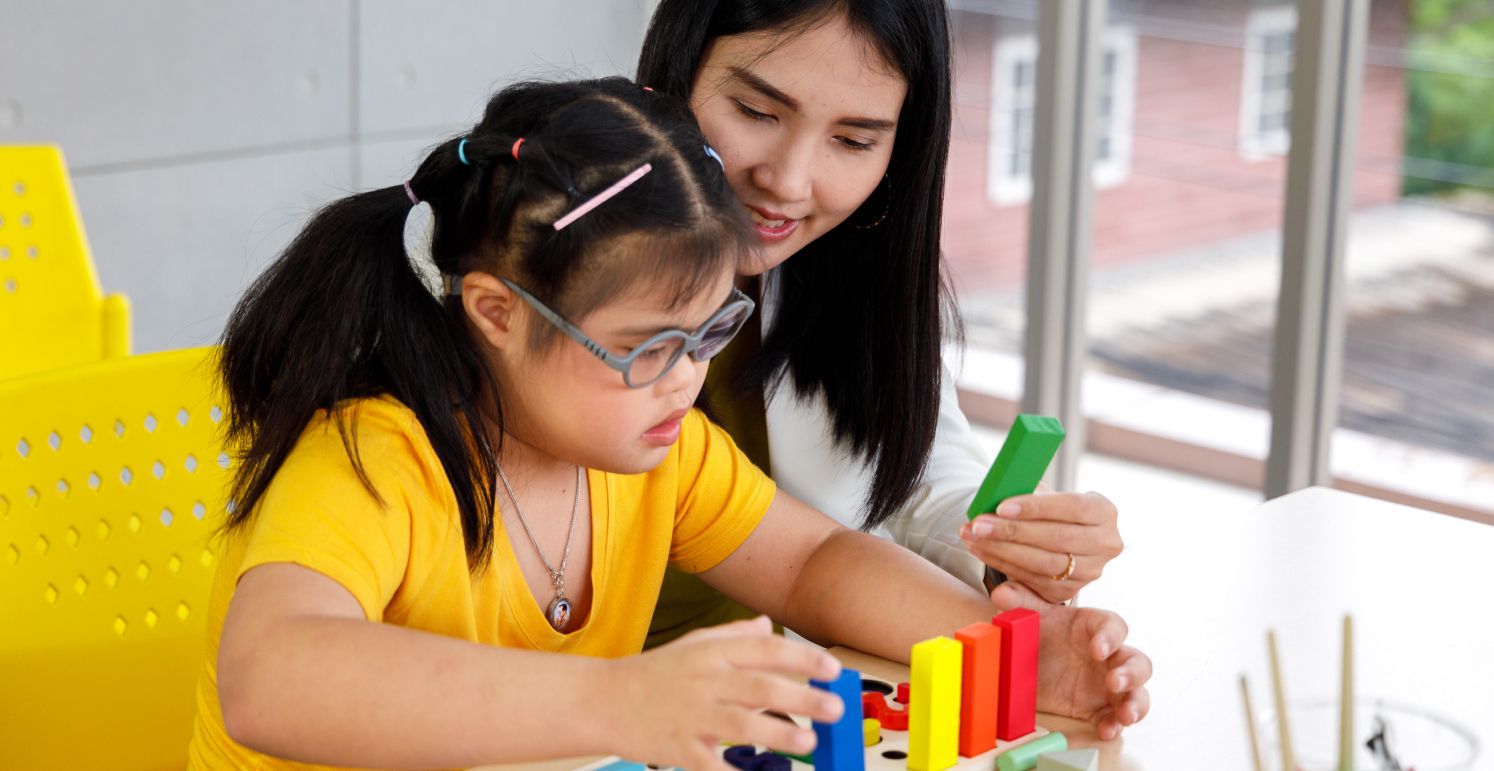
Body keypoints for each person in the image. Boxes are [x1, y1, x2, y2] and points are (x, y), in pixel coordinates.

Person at [187, 77, 1149, 771]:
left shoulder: (655, 450)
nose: (686, 379)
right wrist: (620, 700)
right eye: (647, 346)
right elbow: (270, 676)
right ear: (497, 311)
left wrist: (1009, 651)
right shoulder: (373, 460)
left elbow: (814, 565)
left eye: (710, 333)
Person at [637, 0, 1126, 648]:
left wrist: (1013, 542)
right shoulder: (554, 274)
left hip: (783, 705)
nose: (787, 181)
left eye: (853, 140)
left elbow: (915, 475)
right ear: (673, 74)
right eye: (757, 112)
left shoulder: (848, 267)